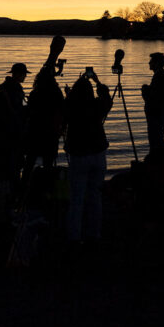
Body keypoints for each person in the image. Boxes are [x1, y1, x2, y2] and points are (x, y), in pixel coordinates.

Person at [65, 69, 113, 245]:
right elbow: (107, 98)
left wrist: (69, 95)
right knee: (95, 197)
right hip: (98, 155)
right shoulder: (97, 105)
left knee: (77, 198)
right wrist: (97, 81)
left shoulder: (71, 107)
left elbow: (65, 113)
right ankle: (94, 234)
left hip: (79, 156)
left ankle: (74, 237)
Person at [21, 35, 67, 194]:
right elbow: (63, 110)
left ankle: (23, 190)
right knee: (48, 163)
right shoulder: (55, 94)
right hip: (50, 135)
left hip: (35, 133)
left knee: (29, 162)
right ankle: (48, 191)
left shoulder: (36, 94)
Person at [0, 63, 29, 191]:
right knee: (14, 164)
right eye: (23, 74)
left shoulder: (7, 88)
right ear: (17, 74)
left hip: (9, 131)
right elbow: (18, 109)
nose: (25, 77)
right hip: (13, 132)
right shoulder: (14, 89)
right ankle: (13, 192)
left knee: (12, 164)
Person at [141, 52, 164, 156]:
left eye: (151, 61)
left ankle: (156, 161)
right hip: (160, 112)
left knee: (155, 139)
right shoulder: (162, 76)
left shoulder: (160, 77)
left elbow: (152, 98)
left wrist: (145, 90)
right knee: (158, 138)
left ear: (157, 63)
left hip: (156, 113)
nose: (149, 63)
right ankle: (157, 159)